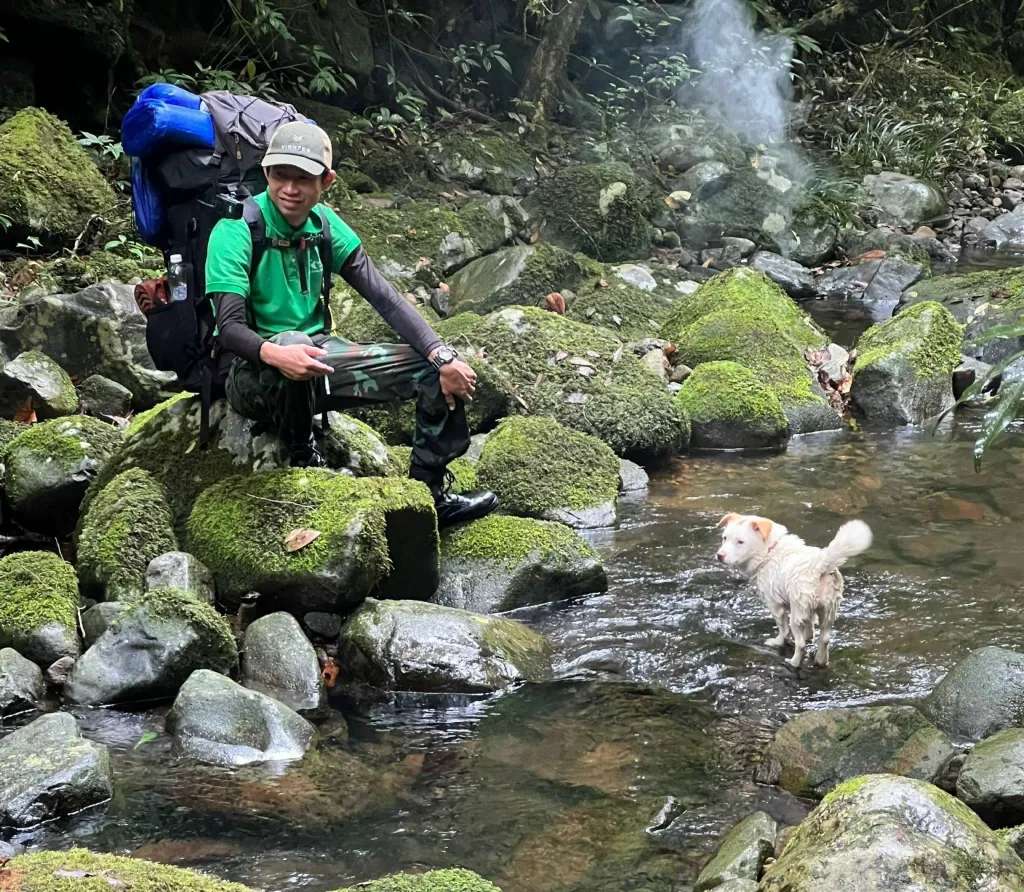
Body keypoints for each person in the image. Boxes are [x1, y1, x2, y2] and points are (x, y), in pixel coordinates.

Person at [205, 120, 497, 527]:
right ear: (267, 174)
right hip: (254, 374)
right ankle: (303, 454)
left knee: (434, 368)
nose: (290, 189)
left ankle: (428, 494)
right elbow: (230, 327)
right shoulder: (236, 229)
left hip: (319, 361)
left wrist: (441, 355)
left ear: (326, 180)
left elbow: (385, 297)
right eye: (280, 176)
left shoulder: (324, 225)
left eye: (303, 178)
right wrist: (278, 353)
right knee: (294, 341)